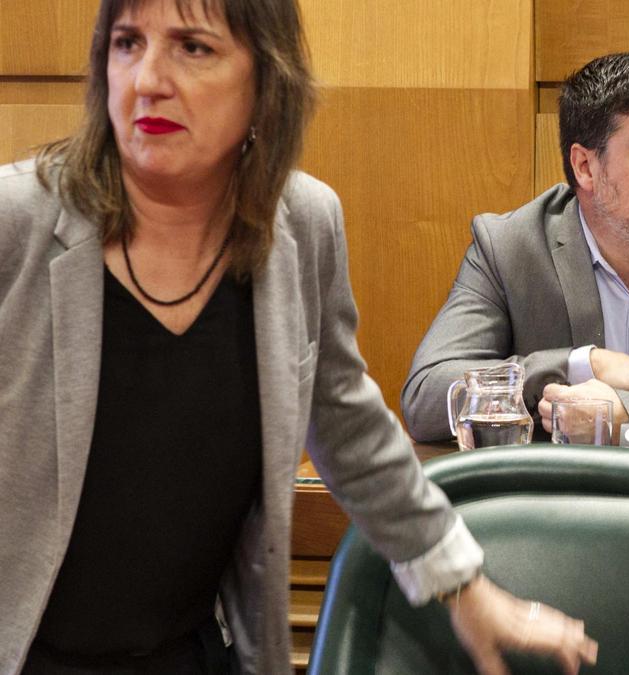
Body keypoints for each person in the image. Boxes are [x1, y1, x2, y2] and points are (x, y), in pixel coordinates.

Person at [0, 0, 597, 672]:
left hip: (195, 651)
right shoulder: (16, 220)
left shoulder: (302, 223)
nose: (147, 79)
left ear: (266, 77)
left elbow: (345, 419)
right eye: (127, 43)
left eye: (192, 48)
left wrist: (465, 585)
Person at [402, 52, 629, 443]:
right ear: (585, 166)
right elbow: (427, 398)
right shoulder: (510, 248)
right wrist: (585, 364)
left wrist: (622, 416)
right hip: (553, 499)